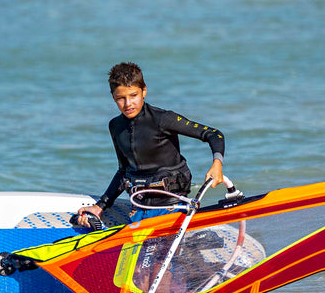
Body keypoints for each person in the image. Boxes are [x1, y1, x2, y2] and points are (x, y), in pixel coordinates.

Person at [75, 62, 225, 227]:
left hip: (172, 205)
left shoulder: (163, 119)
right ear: (113, 97)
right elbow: (124, 171)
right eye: (121, 98)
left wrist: (217, 164)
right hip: (140, 207)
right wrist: (100, 206)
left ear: (144, 91)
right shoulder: (115, 126)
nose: (128, 104)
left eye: (133, 95)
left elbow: (214, 134)